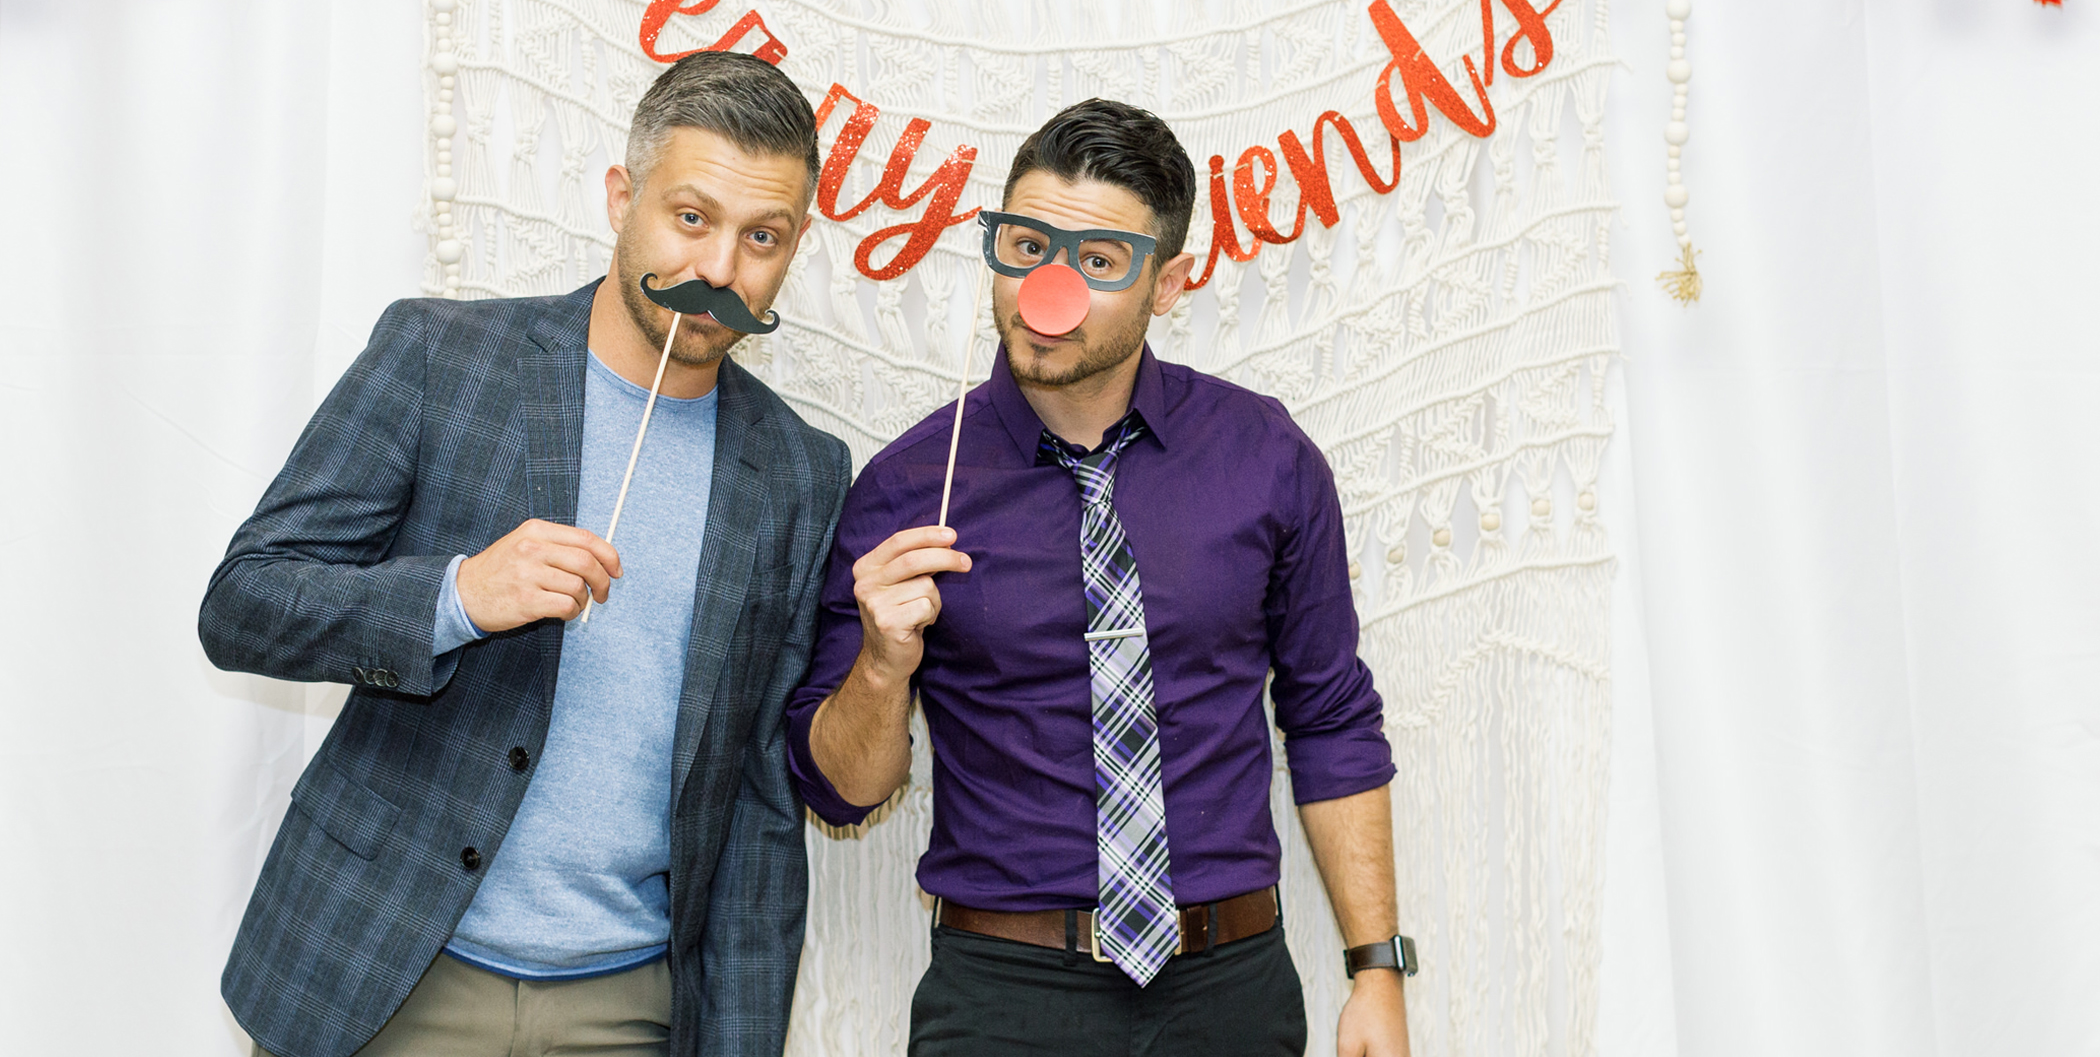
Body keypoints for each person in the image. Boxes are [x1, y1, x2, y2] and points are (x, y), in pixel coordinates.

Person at [200, 51, 850, 1057]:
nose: (720, 270)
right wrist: (459, 595)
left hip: (628, 1002)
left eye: (759, 237)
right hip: (388, 968)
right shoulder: (442, 355)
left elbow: (759, 790)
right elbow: (244, 602)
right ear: (620, 198)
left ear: (793, 246)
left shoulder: (802, 470)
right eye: (690, 217)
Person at [787, 99, 1415, 1057]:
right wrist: (880, 665)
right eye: (1028, 244)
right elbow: (842, 794)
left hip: (1230, 989)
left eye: (1098, 262)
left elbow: (1329, 718)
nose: (1049, 289)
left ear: (1169, 283)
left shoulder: (1265, 458)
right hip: (1004, 994)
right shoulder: (909, 487)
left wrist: (1377, 971)